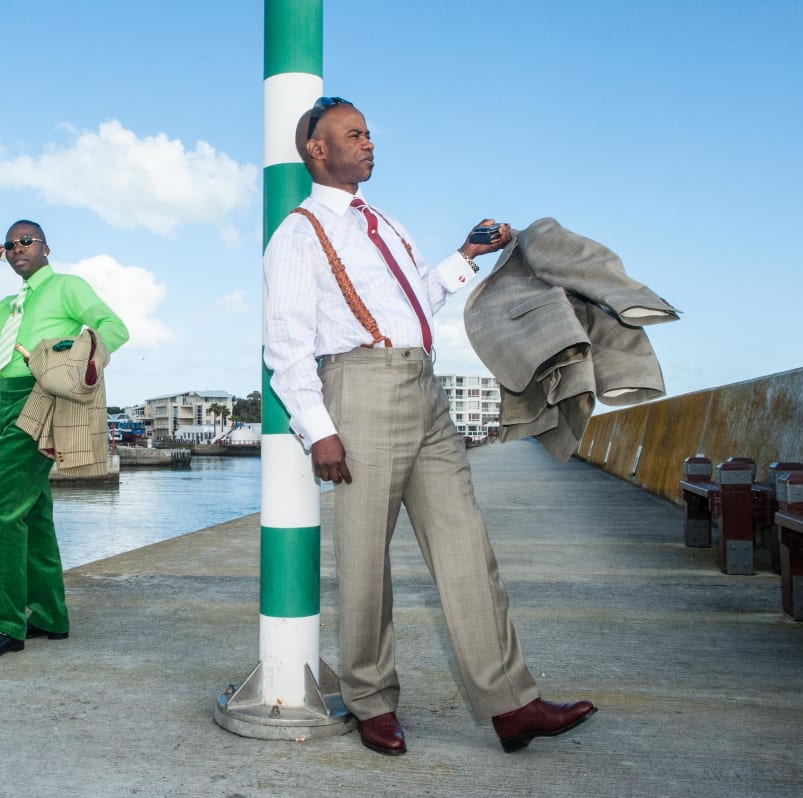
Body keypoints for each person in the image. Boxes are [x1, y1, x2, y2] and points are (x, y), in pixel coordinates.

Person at [262, 97, 596, 755]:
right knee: (365, 559)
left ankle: (510, 703)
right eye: (352, 135)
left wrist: (466, 253)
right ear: (315, 151)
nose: (368, 143)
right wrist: (317, 427)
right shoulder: (299, 234)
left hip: (425, 390)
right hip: (359, 390)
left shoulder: (382, 221)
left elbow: (414, 296)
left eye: (369, 133)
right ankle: (370, 699)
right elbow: (286, 343)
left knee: (467, 545)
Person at [0, 219, 129, 660]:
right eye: (10, 245)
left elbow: (113, 328)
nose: (16, 250)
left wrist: (64, 358)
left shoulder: (67, 286)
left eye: (25, 241)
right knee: (33, 512)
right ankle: (49, 615)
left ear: (46, 248)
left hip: (41, 396)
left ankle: (7, 625)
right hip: (5, 399)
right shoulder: (8, 305)